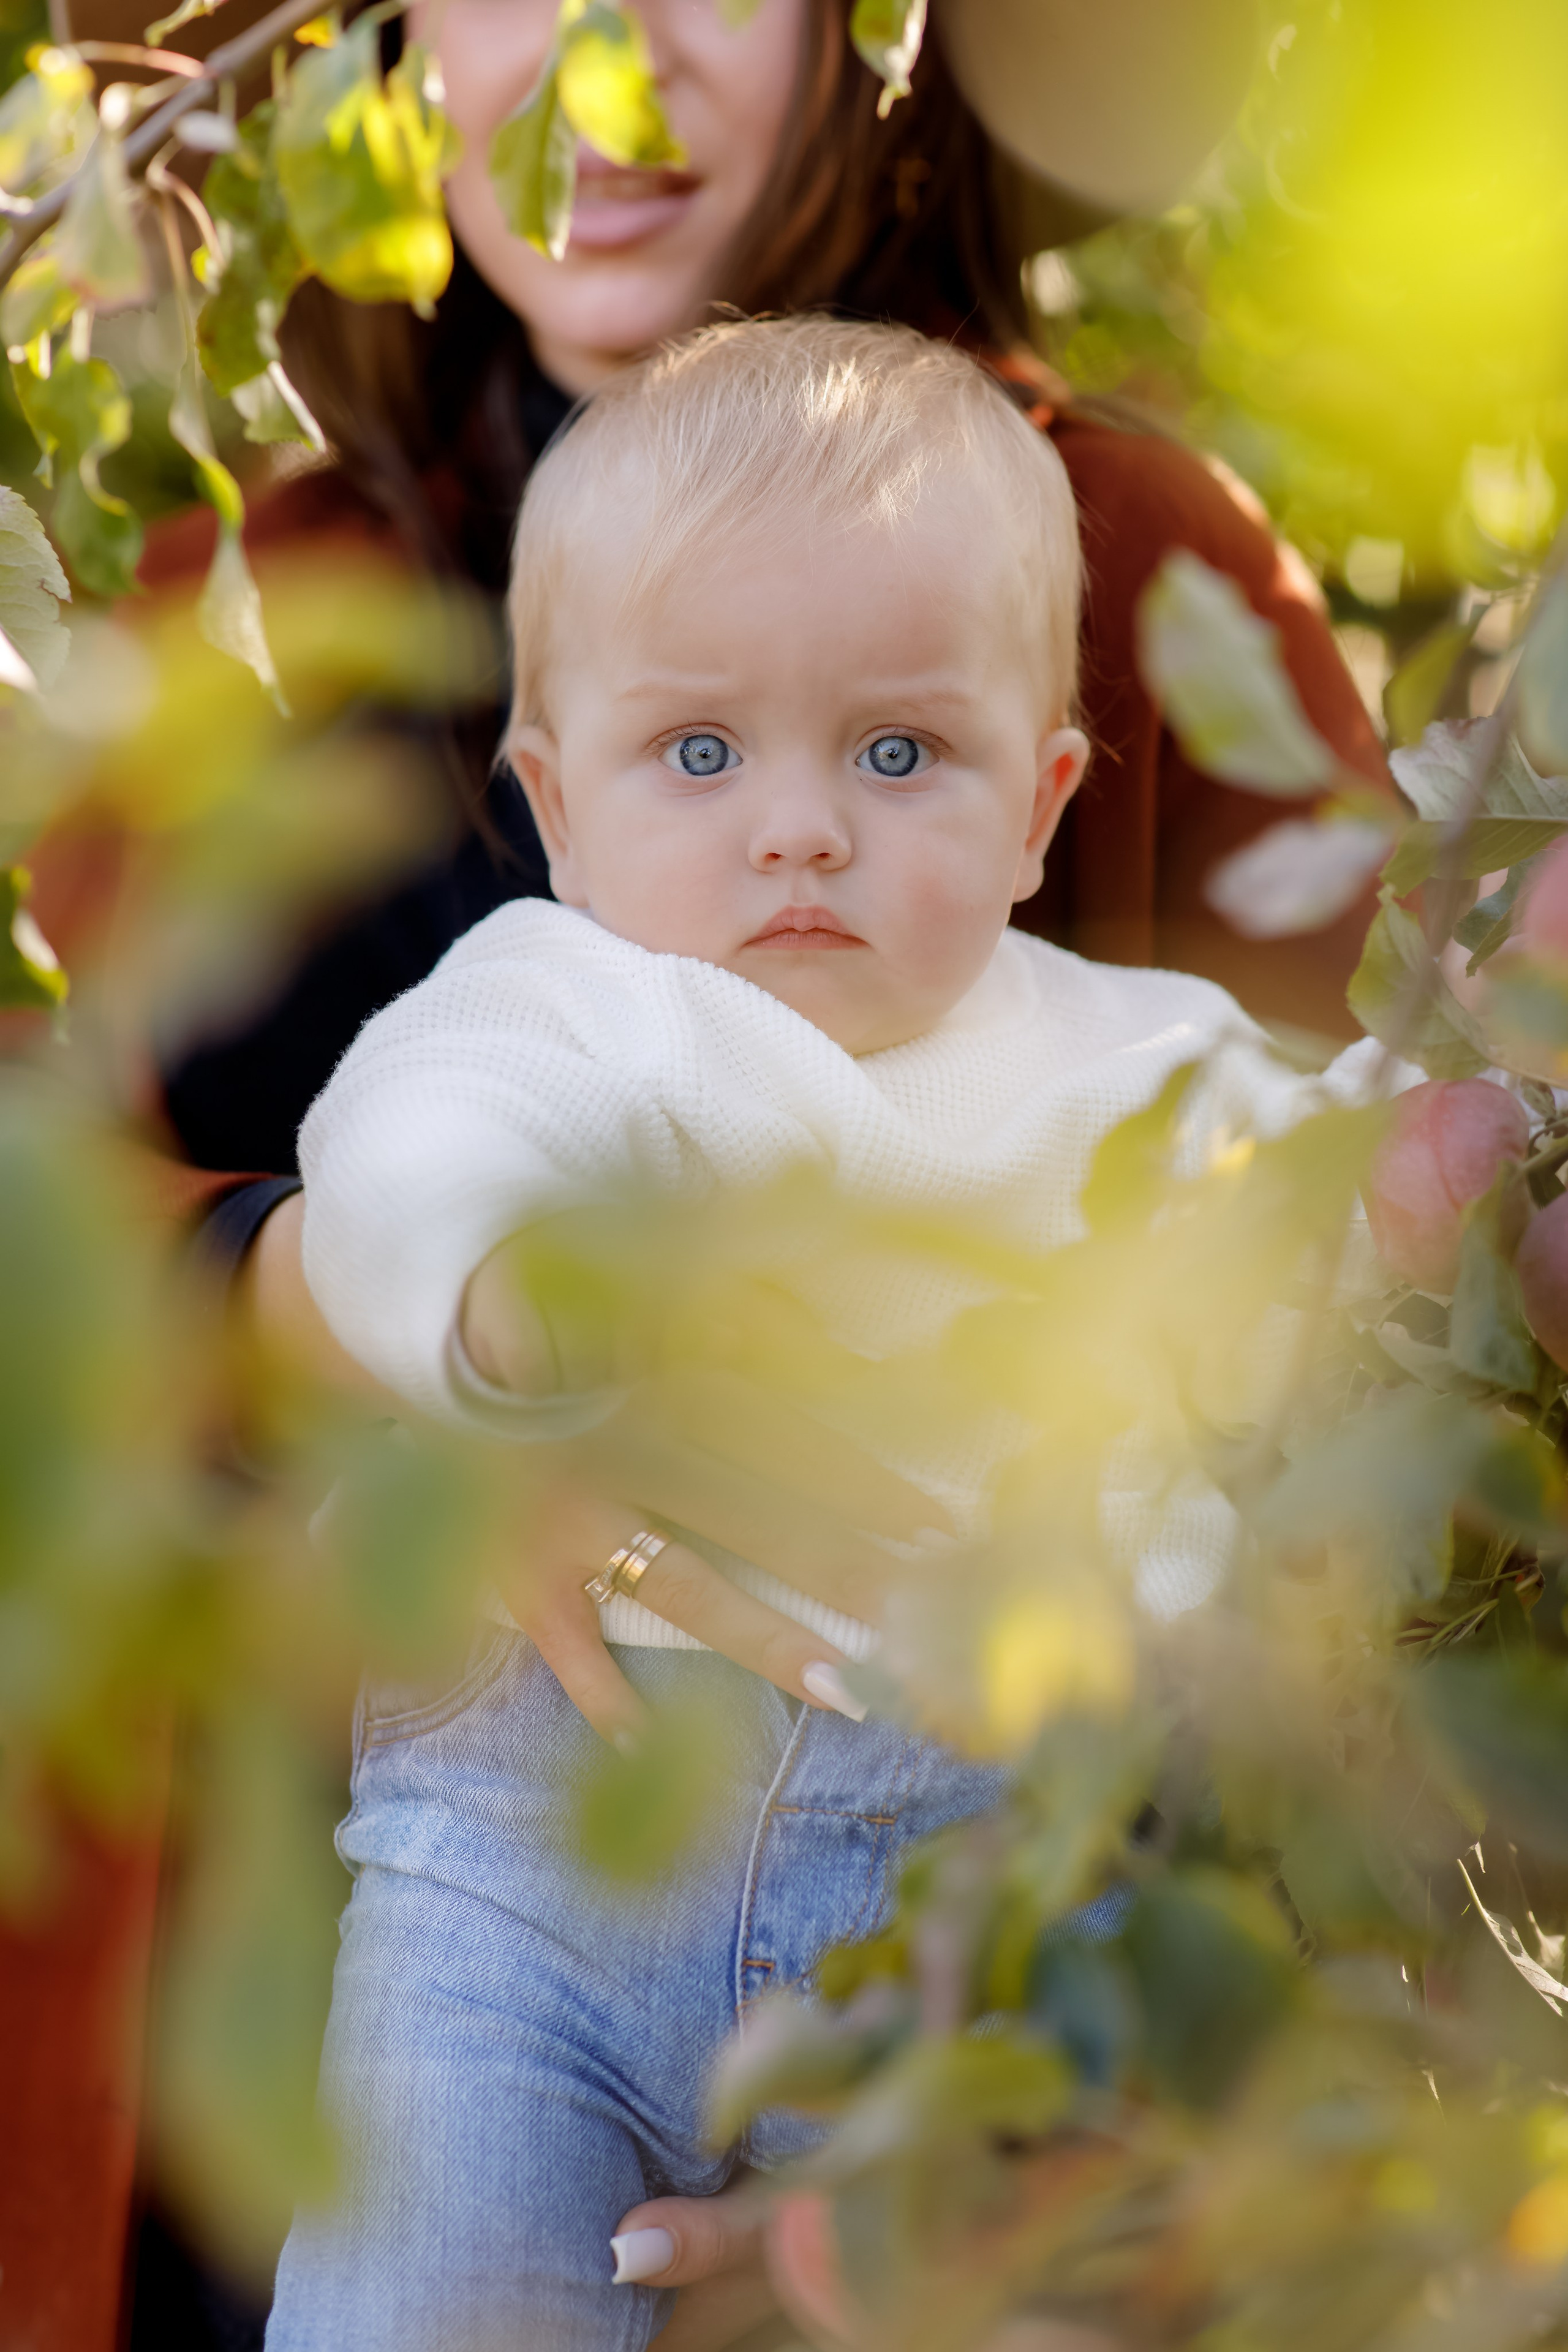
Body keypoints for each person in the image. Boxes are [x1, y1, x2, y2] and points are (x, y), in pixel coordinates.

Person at [1, 1, 1390, 2344]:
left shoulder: (1121, 563)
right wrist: (404, 1338)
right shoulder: (201, 586)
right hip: (320, 1976)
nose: (595, 60)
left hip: (948, 1967)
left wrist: (1080, 2145)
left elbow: (1380, 1349)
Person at [270, 315, 1379, 2351]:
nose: (800, 830)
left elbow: (1349, 1197)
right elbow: (411, 1140)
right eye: (700, 754)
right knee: (425, 2297)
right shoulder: (570, 1002)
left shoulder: (1141, 1064)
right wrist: (510, 1312)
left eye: (898, 754)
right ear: (555, 803)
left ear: (1044, 802)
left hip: (1001, 1879)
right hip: (540, 1872)